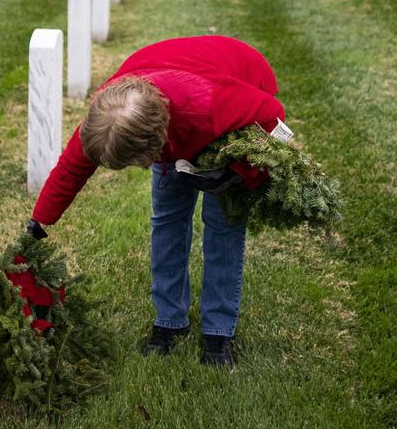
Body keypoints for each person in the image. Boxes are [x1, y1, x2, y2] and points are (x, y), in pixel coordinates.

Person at [27, 35, 286, 368]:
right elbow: (72, 166)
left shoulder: (210, 105)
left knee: (223, 224)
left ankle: (219, 332)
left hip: (236, 85)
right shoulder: (110, 116)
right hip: (170, 96)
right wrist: (41, 219)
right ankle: (170, 322)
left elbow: (274, 122)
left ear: (153, 143)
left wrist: (238, 173)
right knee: (167, 219)